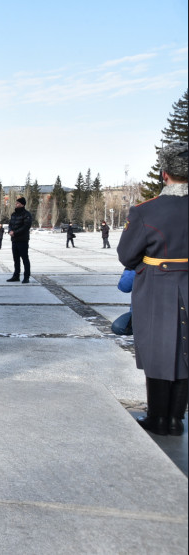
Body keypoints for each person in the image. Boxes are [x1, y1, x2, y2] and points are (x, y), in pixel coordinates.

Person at [117, 141, 188, 436]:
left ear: (164, 173)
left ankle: (158, 418)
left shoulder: (146, 211)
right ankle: (175, 420)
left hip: (157, 288)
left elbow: (127, 256)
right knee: (185, 350)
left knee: (159, 350)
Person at [6, 196, 32, 283]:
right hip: (14, 240)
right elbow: (10, 224)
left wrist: (15, 232)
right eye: (16, 203)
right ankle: (16, 276)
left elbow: (26, 226)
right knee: (16, 259)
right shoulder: (14, 214)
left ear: (22, 204)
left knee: (25, 259)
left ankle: (26, 277)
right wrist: (10, 231)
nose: (16, 204)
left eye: (17, 203)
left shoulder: (26, 214)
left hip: (22, 240)